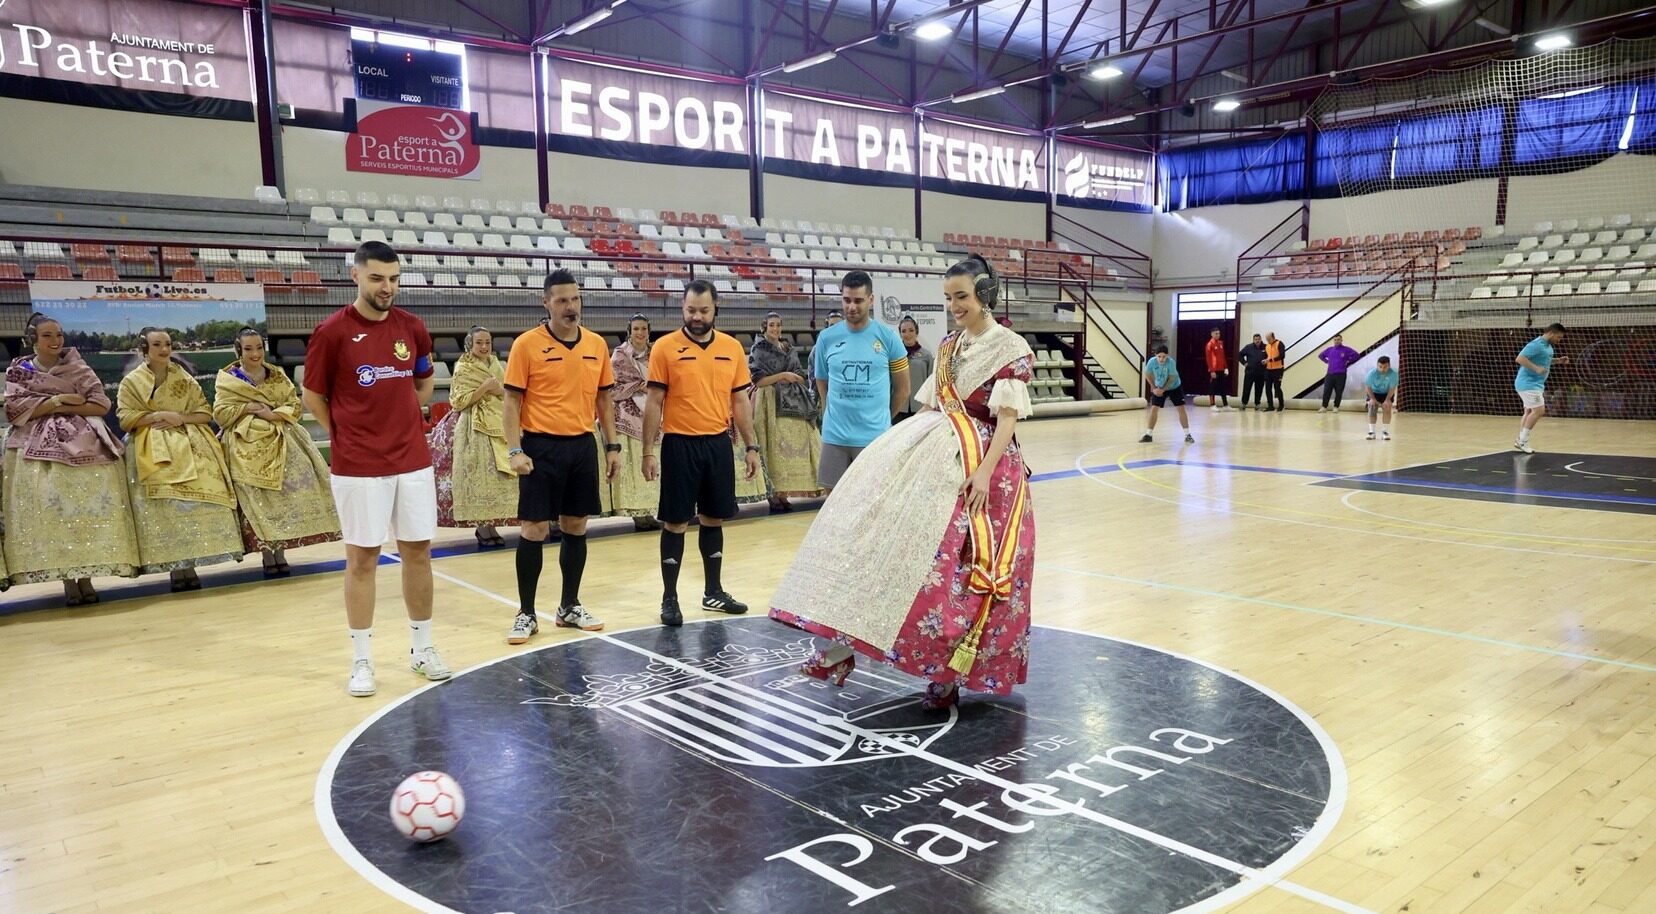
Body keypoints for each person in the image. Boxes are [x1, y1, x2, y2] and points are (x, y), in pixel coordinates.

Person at [770, 255, 1036, 712]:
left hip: (983, 469)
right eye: (949, 298)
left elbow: (1007, 418)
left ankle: (948, 675)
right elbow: (930, 406)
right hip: (937, 454)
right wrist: (897, 456)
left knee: (961, 574)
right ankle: (840, 646)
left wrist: (983, 473)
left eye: (962, 298)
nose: (954, 306)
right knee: (892, 550)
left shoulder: (1008, 347)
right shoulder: (951, 345)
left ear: (985, 295)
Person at [301, 241, 449, 698]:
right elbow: (313, 397)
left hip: (412, 460)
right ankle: (362, 659)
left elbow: (423, 380)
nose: (387, 288)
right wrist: (347, 433)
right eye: (377, 279)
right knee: (362, 559)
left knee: (418, 552)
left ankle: (422, 649)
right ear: (356, 277)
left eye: (394, 279)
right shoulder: (331, 333)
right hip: (359, 465)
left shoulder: (412, 327)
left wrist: (404, 414)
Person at [501, 269, 621, 643]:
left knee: (576, 525)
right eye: (563, 300)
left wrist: (612, 445)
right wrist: (515, 449)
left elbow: (604, 399)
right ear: (546, 303)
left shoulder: (597, 344)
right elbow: (511, 400)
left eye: (576, 299)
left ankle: (569, 606)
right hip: (540, 447)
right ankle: (525, 613)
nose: (571, 307)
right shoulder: (526, 344)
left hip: (582, 445)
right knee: (534, 529)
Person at [642, 281, 761, 626]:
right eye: (691, 310)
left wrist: (751, 446)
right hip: (679, 444)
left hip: (718, 444)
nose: (696, 317)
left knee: (714, 518)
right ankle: (670, 599)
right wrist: (648, 451)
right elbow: (654, 402)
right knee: (676, 522)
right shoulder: (664, 348)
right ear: (682, 308)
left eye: (703, 310)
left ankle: (713, 592)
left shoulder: (732, 348)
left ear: (715, 309)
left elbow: (740, 401)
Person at [3, 312, 140, 604]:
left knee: (86, 511)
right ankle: (67, 579)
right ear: (33, 341)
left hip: (84, 442)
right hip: (34, 444)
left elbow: (100, 403)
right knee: (54, 513)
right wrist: (60, 401)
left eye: (59, 335)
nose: (55, 341)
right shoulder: (19, 371)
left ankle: (87, 576)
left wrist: (54, 406)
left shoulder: (78, 367)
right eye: (47, 336)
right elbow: (15, 411)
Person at [118, 328, 245, 591]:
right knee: (164, 506)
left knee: (191, 502)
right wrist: (155, 417)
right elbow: (126, 418)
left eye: (167, 344)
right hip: (150, 443)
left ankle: (191, 563)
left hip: (188, 439)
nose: (164, 349)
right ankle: (174, 566)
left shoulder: (184, 378)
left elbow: (203, 412)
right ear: (145, 349)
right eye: (157, 344)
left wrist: (180, 418)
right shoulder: (132, 381)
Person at [212, 327, 340, 574]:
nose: (255, 353)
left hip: (282, 438)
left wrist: (272, 413)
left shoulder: (277, 374)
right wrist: (249, 407)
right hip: (244, 443)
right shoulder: (229, 378)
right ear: (239, 350)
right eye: (249, 349)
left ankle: (279, 552)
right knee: (257, 499)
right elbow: (221, 413)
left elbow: (293, 405)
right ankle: (266, 555)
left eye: (259, 347)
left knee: (281, 497)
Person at [813, 271, 910, 490]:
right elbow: (822, 381)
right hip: (834, 437)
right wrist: (832, 411)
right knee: (832, 507)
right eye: (847, 300)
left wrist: (881, 417)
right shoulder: (826, 338)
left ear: (871, 300)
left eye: (858, 300)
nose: (851, 307)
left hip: (874, 438)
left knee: (871, 506)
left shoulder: (888, 338)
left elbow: (903, 390)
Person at [428, 325, 518, 547]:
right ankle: (481, 527)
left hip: (498, 422)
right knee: (477, 477)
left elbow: (507, 390)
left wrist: (498, 391)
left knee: (498, 478)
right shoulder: (463, 367)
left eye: (488, 342)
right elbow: (457, 400)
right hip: (471, 425)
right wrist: (485, 389)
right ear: (470, 344)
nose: (484, 346)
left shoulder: (497, 364)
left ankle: (493, 523)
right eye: (479, 342)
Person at [748, 311, 821, 511]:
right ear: (764, 327)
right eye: (771, 325)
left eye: (778, 325)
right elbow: (759, 380)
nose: (775, 329)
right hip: (770, 400)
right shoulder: (759, 349)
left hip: (795, 398)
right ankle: (774, 493)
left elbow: (800, 374)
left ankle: (785, 491)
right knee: (774, 447)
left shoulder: (789, 348)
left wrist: (790, 377)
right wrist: (783, 375)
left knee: (798, 445)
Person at [608, 314, 662, 530]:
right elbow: (613, 385)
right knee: (635, 466)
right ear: (630, 331)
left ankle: (651, 509)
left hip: (654, 409)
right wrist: (639, 386)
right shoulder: (620, 355)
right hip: (628, 412)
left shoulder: (656, 353)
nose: (640, 333)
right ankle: (637, 513)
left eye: (644, 329)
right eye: (636, 329)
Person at [1513, 323, 1568, 454]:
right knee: (1539, 411)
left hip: (1536, 384)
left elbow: (1544, 360)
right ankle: (1522, 441)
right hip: (1528, 383)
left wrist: (1558, 361)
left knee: (1528, 412)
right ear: (1551, 333)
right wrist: (1536, 368)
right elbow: (1520, 358)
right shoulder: (1536, 344)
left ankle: (1520, 440)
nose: (1559, 341)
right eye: (1558, 337)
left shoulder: (1548, 346)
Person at [1140, 345, 1194, 444]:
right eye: (1159, 356)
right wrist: (1154, 388)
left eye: (1164, 356)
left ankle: (1187, 435)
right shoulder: (1152, 362)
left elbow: (1172, 378)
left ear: (1167, 356)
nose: (1161, 359)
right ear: (1156, 356)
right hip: (1159, 387)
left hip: (1174, 386)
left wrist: (1163, 389)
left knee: (1180, 408)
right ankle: (1148, 434)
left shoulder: (1171, 362)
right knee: (1154, 408)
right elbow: (1147, 374)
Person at [896, 314, 935, 421]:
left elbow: (932, 382)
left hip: (920, 407)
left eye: (911, 330)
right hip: (898, 407)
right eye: (903, 331)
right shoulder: (895, 355)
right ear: (900, 334)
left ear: (916, 332)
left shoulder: (926, 355)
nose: (907, 334)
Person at [1318, 334, 1360, 412]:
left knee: (1339, 391)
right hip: (1330, 374)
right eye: (1335, 340)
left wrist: (1349, 361)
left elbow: (1357, 355)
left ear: (1341, 340)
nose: (1337, 341)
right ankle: (1324, 407)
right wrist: (1327, 361)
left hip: (1341, 374)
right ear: (1333, 341)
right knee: (1326, 391)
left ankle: (1336, 407)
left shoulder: (1346, 350)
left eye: (1338, 339)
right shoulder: (1329, 350)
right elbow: (1320, 355)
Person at [1363, 356, 1399, 441]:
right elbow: (1368, 387)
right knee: (1372, 407)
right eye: (1380, 367)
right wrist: (1372, 399)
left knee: (1387, 407)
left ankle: (1385, 432)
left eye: (1385, 367)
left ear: (1389, 365)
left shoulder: (1394, 374)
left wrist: (1387, 400)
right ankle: (1372, 432)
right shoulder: (1372, 373)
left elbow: (1392, 389)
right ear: (1377, 365)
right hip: (1374, 392)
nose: (1382, 369)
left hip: (1386, 393)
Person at [1238, 333, 1268, 410]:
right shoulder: (1248, 347)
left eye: (1258, 339)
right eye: (1255, 339)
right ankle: (1243, 403)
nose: (1257, 341)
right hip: (1249, 372)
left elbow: (1270, 357)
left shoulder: (1266, 347)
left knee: (1259, 389)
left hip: (1261, 373)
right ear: (1253, 340)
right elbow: (1239, 355)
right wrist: (1244, 363)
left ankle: (1257, 404)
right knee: (1246, 389)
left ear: (1261, 339)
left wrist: (1267, 361)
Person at [1204, 327, 1232, 411]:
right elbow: (1208, 358)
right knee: (1213, 387)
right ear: (1212, 334)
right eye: (1216, 333)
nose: (1218, 335)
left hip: (1221, 369)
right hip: (1214, 369)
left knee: (1223, 387)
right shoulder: (1209, 344)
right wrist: (1212, 370)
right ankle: (1212, 405)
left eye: (1219, 333)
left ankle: (1225, 405)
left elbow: (1223, 356)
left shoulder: (1220, 343)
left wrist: (1226, 367)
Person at [1263, 332, 1287, 410]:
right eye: (1266, 339)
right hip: (1268, 369)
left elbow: (1282, 356)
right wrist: (1265, 360)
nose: (1267, 340)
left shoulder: (1279, 344)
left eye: (1269, 339)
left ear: (1273, 337)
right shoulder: (1267, 346)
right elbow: (1267, 356)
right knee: (1267, 388)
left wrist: (1271, 360)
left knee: (1277, 387)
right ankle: (1270, 406)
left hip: (1278, 369)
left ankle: (1281, 405)